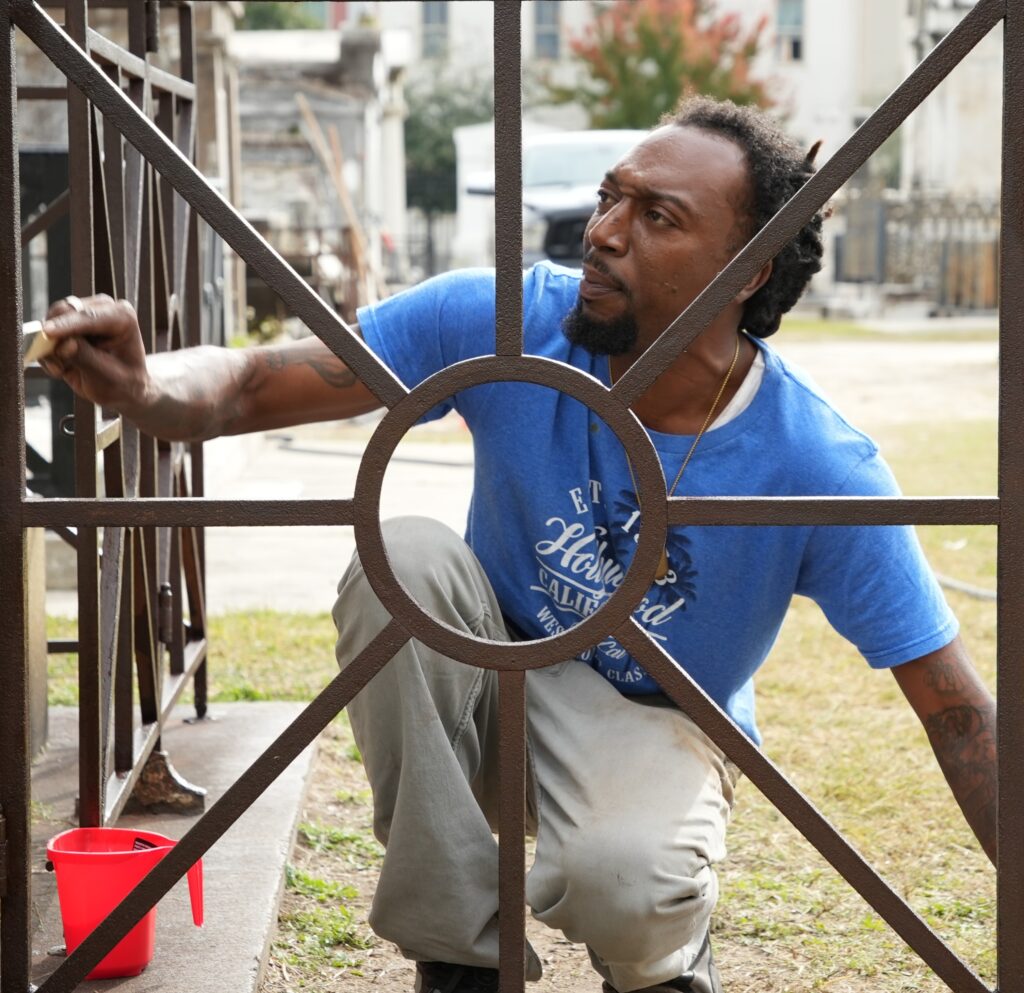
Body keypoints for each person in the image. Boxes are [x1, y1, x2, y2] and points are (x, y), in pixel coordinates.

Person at [36, 98, 996, 993]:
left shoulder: (816, 462)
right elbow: (253, 380)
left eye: (659, 216)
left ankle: (664, 954)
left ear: (746, 272)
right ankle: (458, 957)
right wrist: (147, 384)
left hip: (646, 721)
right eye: (611, 197)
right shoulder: (510, 319)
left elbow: (957, 712)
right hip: (485, 670)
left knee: (627, 884)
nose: (606, 231)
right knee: (398, 554)